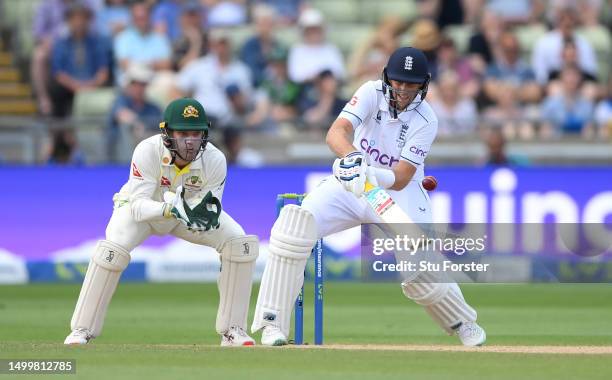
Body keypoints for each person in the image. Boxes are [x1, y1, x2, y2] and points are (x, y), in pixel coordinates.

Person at [250, 47, 486, 347]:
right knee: (293, 228)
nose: (401, 89)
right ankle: (273, 325)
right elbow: (336, 133)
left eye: (410, 84)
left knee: (420, 274)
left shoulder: (427, 120)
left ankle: (464, 322)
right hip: (351, 183)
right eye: (397, 81)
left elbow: (401, 177)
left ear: (423, 85)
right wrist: (354, 160)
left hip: (399, 193)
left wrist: (371, 175)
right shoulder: (370, 92)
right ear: (387, 77)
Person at [64, 98, 259, 346]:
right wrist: (169, 208)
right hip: (143, 212)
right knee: (111, 250)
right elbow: (137, 206)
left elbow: (210, 206)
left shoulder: (215, 159)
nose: (190, 141)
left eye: (196, 133)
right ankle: (82, 329)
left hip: (184, 214)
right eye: (183, 133)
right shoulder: (147, 150)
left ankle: (233, 330)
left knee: (240, 243)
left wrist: (201, 217)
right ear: (167, 132)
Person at [50, 3, 110, 118]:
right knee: (56, 90)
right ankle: (61, 133)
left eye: (82, 19)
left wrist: (90, 85)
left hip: (92, 85)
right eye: (75, 19)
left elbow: (103, 71)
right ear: (69, 21)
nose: (79, 23)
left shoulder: (97, 43)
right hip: (69, 87)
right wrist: (76, 86)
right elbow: (58, 73)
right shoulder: (61, 43)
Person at [108, 64, 163, 162]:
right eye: (135, 83)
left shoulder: (153, 108)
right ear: (129, 85)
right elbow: (121, 114)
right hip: (119, 159)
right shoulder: (121, 100)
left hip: (149, 159)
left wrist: (146, 135)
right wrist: (137, 124)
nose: (139, 87)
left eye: (142, 84)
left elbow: (163, 129)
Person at [114, 1, 172, 84]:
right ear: (132, 19)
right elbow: (124, 64)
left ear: (149, 17)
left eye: (143, 18)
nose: (141, 22)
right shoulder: (123, 37)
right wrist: (149, 64)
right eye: (138, 18)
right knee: (133, 73)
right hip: (132, 78)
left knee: (169, 79)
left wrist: (147, 65)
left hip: (153, 75)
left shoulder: (159, 37)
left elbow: (167, 64)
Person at [287, 8, 345, 84]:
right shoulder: (297, 50)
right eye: (310, 29)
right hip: (305, 90)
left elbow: (340, 73)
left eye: (316, 29)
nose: (314, 33)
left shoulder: (331, 49)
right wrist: (314, 77)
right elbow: (295, 76)